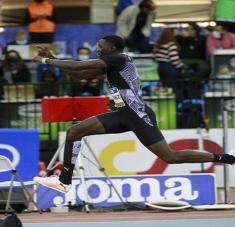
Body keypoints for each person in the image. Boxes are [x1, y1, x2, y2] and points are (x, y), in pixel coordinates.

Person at [33, 35, 235, 193]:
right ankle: (64, 181)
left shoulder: (119, 59)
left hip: (137, 114)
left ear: (111, 48)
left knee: (170, 157)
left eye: (100, 46)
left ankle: (226, 158)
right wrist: (54, 59)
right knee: (74, 132)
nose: (97, 49)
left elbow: (79, 66)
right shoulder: (111, 63)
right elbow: (80, 74)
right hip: (122, 114)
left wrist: (45, 61)